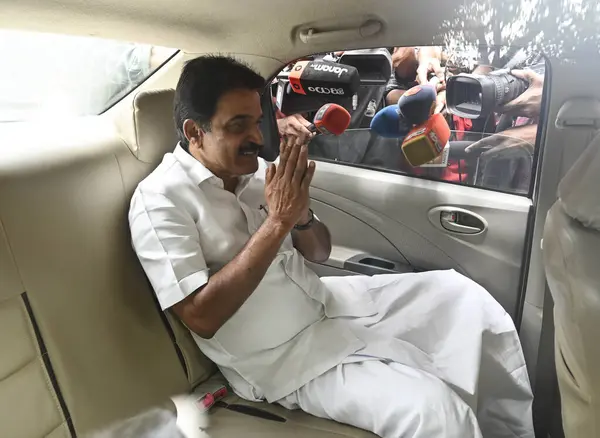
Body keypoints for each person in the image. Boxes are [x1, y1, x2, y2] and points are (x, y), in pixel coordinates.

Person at [129, 55, 535, 438]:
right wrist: (277, 223)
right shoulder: (160, 201)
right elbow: (201, 317)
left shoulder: (252, 175)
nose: (256, 137)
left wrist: (301, 217)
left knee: (463, 299)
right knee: (435, 412)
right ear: (194, 132)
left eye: (257, 121)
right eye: (239, 125)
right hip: (282, 357)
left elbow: (318, 254)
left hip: (329, 303)